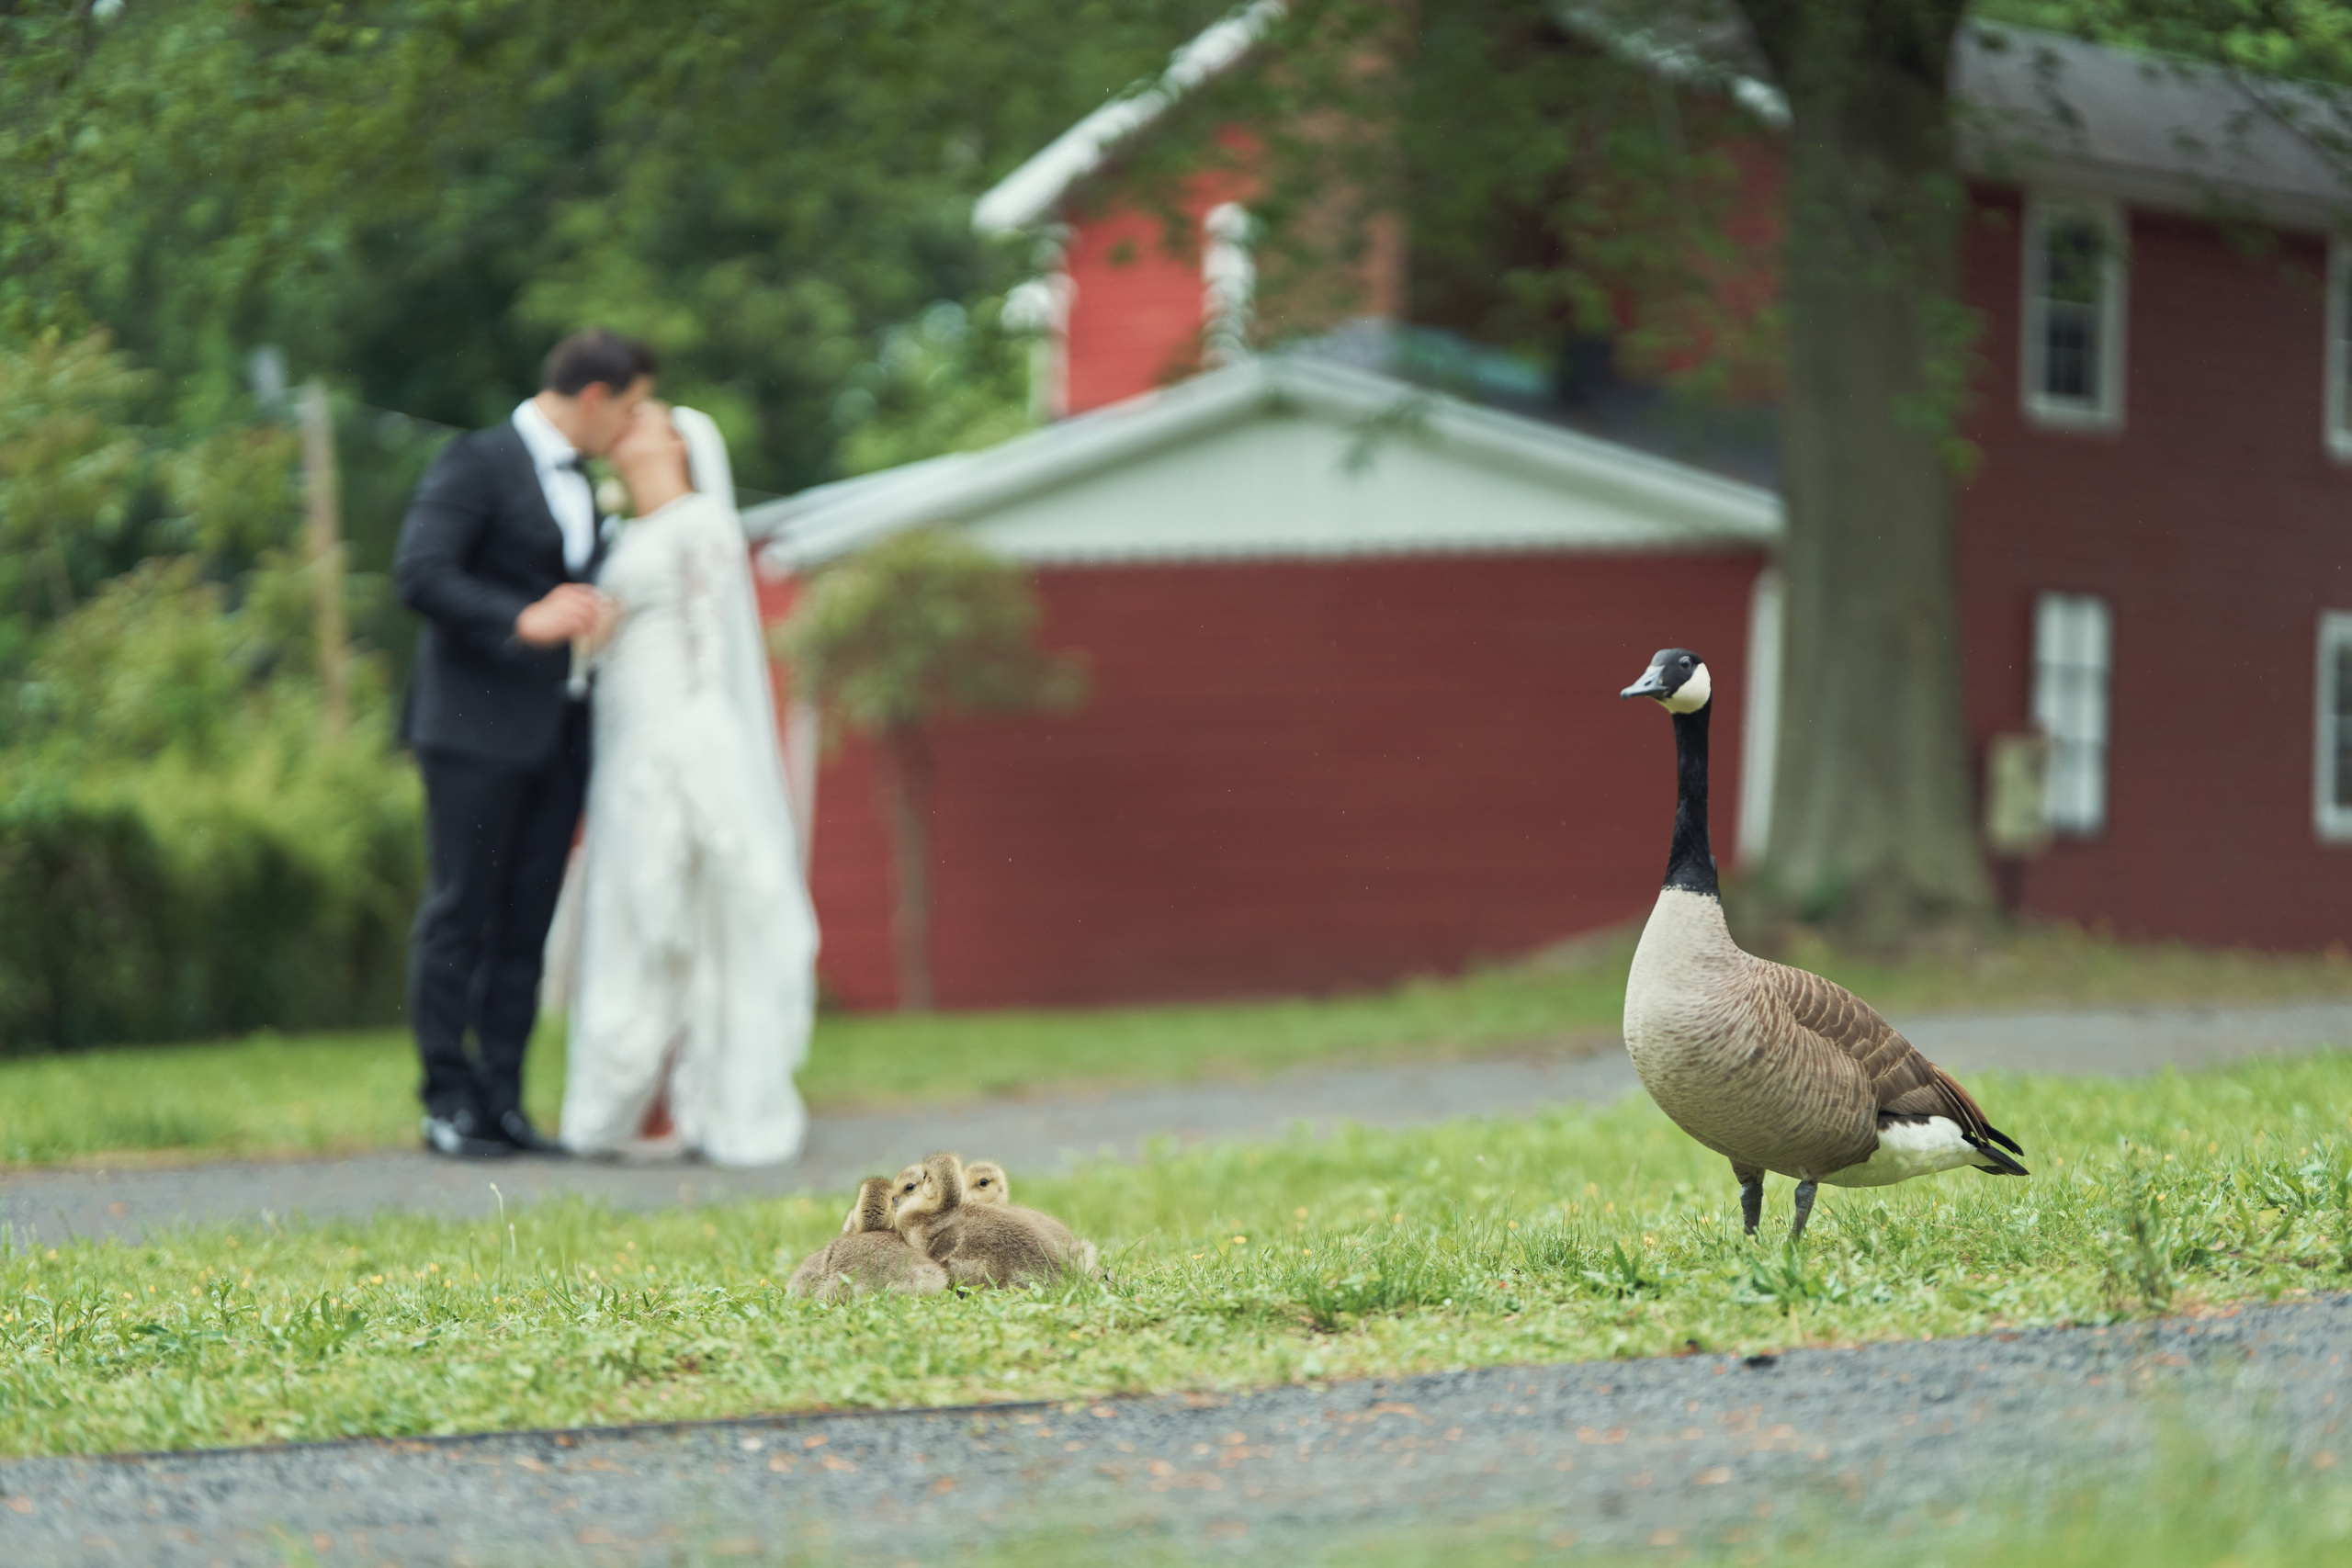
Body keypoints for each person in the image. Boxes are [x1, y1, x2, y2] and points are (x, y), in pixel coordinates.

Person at [394, 329, 655, 1159]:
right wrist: (521, 617)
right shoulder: (477, 461)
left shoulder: (592, 483)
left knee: (526, 926)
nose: (633, 424)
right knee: (459, 913)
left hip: (560, 736)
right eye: (633, 406)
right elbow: (420, 572)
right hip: (470, 733)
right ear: (593, 397)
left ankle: (503, 1100)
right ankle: (447, 1101)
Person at [556, 400, 819, 1166]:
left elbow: (716, 648)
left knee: (690, 917)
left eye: (645, 417)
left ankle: (700, 1103)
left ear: (678, 442)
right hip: (623, 744)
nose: (627, 426)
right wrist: (591, 645)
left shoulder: (702, 525)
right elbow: (606, 649)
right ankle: (627, 1104)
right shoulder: (623, 536)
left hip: (680, 745)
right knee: (630, 915)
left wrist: (699, 759)